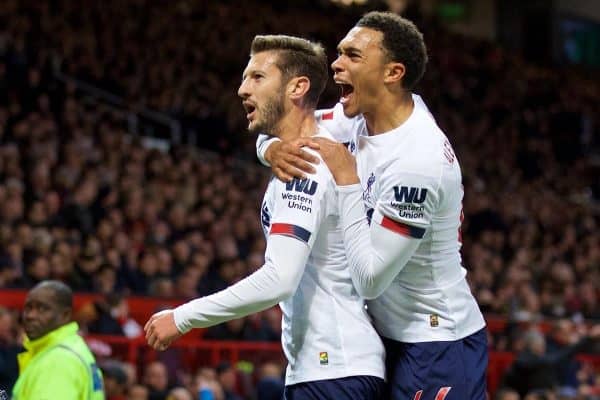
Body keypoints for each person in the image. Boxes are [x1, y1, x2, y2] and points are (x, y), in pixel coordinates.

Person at [258, 12, 488, 400]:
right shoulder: (362, 119)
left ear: (392, 73)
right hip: (385, 338)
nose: (336, 63)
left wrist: (348, 181)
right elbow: (283, 125)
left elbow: (370, 279)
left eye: (353, 55)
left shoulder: (418, 159)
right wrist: (273, 150)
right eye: (339, 53)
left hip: (436, 342)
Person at [144, 34, 385, 399]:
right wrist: (268, 147)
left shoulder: (305, 166)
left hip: (333, 369)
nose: (243, 89)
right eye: (244, 78)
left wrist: (183, 317)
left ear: (297, 87)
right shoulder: (301, 152)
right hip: (333, 367)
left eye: (257, 77)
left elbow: (279, 279)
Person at [12, 280, 105, 399]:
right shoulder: (71, 346)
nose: (31, 315)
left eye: (42, 309)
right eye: (28, 308)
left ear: (65, 315)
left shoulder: (57, 360)